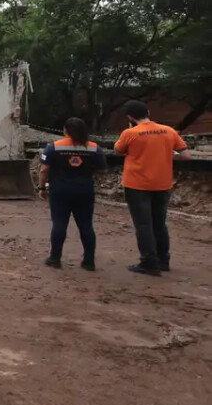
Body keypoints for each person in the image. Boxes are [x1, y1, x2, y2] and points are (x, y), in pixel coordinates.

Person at [114, 100, 191, 276]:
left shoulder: (130, 133)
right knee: (159, 223)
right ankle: (164, 260)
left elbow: (118, 150)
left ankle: (149, 262)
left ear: (130, 117)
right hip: (162, 184)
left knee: (143, 224)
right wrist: (169, 154)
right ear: (148, 112)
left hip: (137, 185)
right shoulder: (169, 131)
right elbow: (186, 155)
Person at [37, 117, 106, 270]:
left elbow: (44, 169)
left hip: (60, 190)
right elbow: (101, 170)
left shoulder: (53, 147)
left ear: (65, 131)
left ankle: (55, 258)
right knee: (86, 225)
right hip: (84, 190)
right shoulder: (95, 148)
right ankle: (89, 261)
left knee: (60, 223)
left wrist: (41, 188)